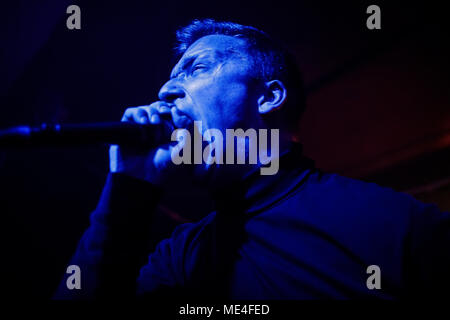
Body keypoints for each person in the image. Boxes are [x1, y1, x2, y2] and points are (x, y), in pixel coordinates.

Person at [55, 19, 450, 300]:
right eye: (170, 79)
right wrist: (128, 188)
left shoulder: (388, 221)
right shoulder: (181, 254)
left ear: (269, 96)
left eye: (197, 68)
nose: (165, 91)